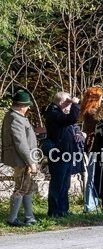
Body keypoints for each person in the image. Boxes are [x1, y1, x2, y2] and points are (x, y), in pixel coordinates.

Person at [2, 90, 40, 226]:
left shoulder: (15, 117)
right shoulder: (15, 118)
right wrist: (30, 162)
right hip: (22, 160)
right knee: (21, 188)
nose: (29, 108)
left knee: (27, 187)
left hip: (23, 159)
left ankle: (30, 217)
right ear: (21, 106)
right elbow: (20, 143)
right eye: (27, 105)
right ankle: (12, 219)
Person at [43, 91, 81, 218]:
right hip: (59, 155)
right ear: (61, 102)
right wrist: (75, 104)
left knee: (65, 184)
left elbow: (69, 124)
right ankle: (54, 211)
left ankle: (63, 210)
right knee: (57, 184)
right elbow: (72, 118)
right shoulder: (52, 113)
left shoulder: (59, 113)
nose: (70, 105)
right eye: (67, 102)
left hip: (66, 154)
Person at [80, 87, 103, 213]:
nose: (102, 99)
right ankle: (89, 205)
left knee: (95, 176)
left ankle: (94, 203)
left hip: (96, 146)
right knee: (92, 176)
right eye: (100, 97)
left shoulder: (92, 111)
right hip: (93, 146)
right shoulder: (91, 112)